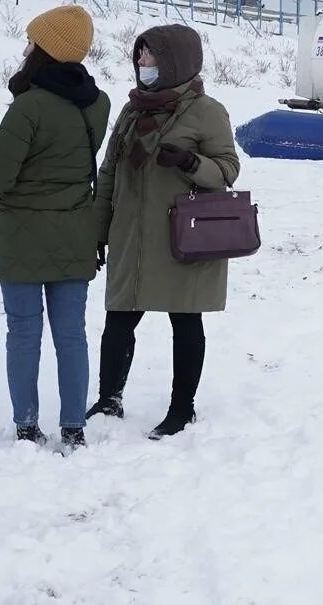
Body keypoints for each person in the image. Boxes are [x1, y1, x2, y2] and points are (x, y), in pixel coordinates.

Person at [86, 24, 239, 439]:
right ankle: (108, 398)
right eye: (139, 54)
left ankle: (181, 409)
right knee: (119, 319)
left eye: (150, 55)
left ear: (174, 61)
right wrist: (99, 231)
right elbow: (109, 171)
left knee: (185, 321)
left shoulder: (207, 111)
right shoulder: (132, 110)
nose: (141, 62)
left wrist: (191, 163)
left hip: (180, 237)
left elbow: (227, 169)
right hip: (130, 236)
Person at [0, 5, 110, 450]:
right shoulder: (98, 103)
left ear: (45, 49)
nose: (26, 46)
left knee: (23, 332)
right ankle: (74, 425)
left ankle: (27, 424)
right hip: (75, 234)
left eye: (32, 40)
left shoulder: (29, 106)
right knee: (72, 335)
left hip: (21, 238)